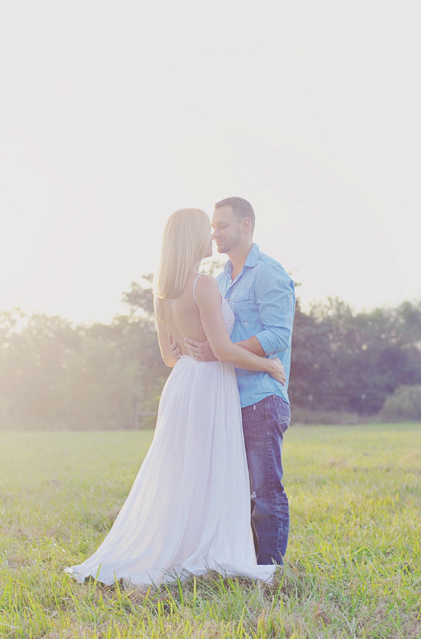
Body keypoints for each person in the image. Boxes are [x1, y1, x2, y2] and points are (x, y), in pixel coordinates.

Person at [65, 208, 284, 586]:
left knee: (184, 470)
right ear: (193, 238)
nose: (212, 234)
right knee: (210, 468)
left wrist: (189, 350)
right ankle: (205, 548)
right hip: (210, 383)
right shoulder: (202, 285)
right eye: (207, 228)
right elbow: (224, 350)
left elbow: (169, 356)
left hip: (182, 384)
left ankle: (179, 544)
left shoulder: (161, 292)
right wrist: (269, 367)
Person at [184, 197, 295, 566]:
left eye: (223, 226)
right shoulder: (218, 280)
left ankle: (271, 571)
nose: (215, 233)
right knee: (236, 492)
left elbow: (278, 335)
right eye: (213, 226)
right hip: (227, 399)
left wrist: (222, 350)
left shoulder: (269, 273)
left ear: (246, 226)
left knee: (265, 491)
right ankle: (243, 563)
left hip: (261, 397)